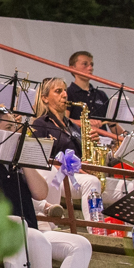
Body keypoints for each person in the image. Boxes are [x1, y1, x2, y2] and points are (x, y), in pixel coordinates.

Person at [0, 103, 93, 268]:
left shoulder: (16, 160)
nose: (16, 132)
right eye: (9, 128)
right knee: (36, 238)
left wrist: (24, 159)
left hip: (30, 227)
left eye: (16, 127)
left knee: (81, 245)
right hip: (2, 230)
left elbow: (40, 193)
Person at [30, 77, 107, 222]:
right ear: (45, 98)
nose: (65, 95)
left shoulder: (73, 126)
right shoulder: (40, 124)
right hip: (57, 177)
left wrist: (93, 145)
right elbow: (39, 158)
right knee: (92, 183)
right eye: (58, 91)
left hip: (77, 176)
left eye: (64, 90)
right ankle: (96, 228)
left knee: (126, 186)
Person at [65, 51, 110, 126]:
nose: (90, 68)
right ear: (72, 68)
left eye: (91, 65)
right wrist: (84, 123)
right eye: (85, 64)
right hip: (79, 136)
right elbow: (63, 120)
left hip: (103, 137)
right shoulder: (67, 93)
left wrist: (127, 135)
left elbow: (112, 124)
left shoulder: (101, 95)